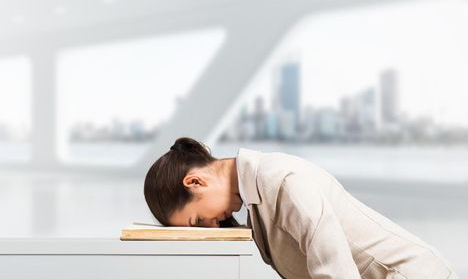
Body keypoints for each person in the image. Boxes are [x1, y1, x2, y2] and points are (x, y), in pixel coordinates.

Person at [143, 137, 458, 279]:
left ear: (195, 183)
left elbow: (336, 272)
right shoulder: (258, 194)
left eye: (198, 221)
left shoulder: (283, 180)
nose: (210, 227)